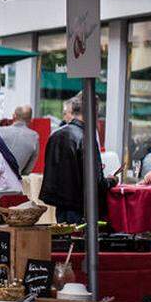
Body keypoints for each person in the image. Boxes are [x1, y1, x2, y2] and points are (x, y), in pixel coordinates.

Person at [39, 94, 108, 224]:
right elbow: (96, 182)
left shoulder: (56, 134)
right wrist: (111, 181)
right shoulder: (86, 138)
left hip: (61, 205)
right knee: (78, 242)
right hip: (80, 207)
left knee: (65, 241)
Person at [0, 105, 40, 175]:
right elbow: (27, 170)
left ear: (13, 116)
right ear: (31, 120)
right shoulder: (34, 137)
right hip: (15, 182)